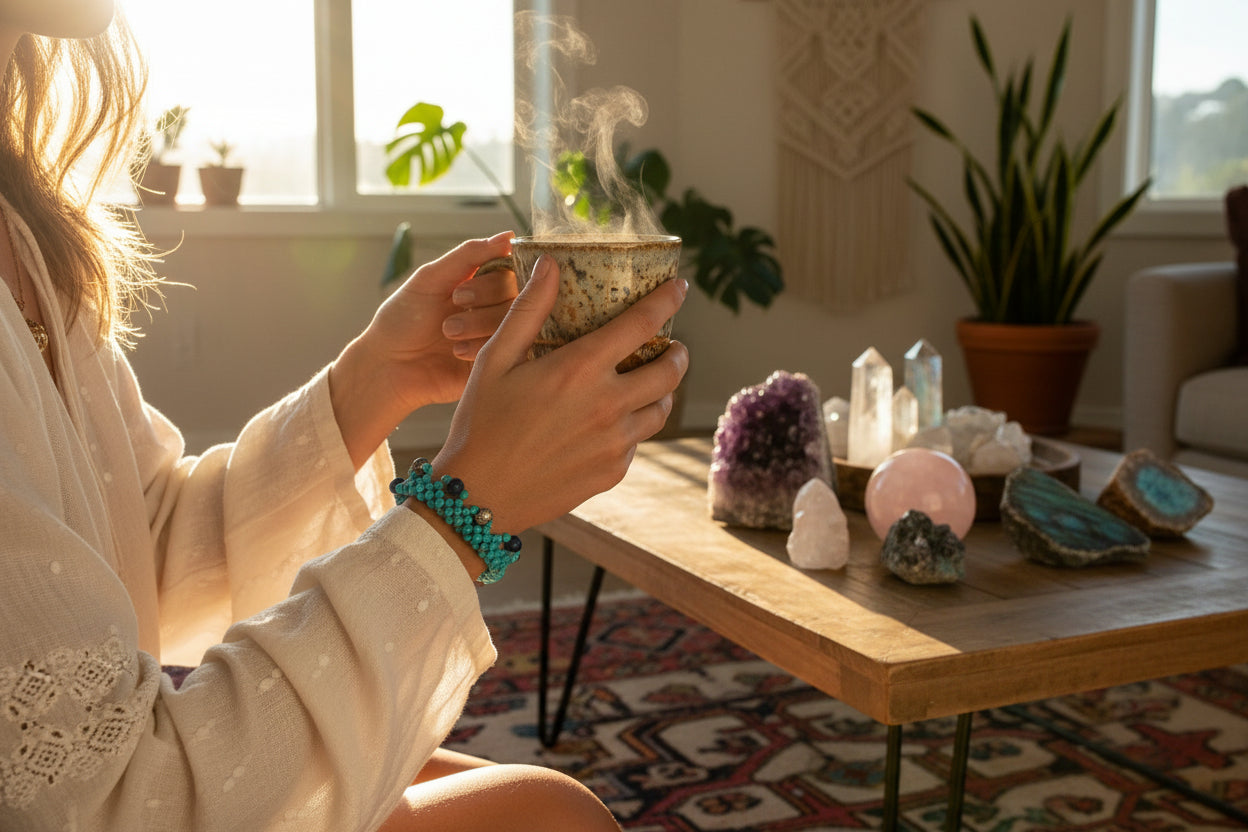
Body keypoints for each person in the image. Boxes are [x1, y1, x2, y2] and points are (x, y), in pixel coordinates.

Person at [0, 0, 689, 829]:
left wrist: (373, 383)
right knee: (550, 816)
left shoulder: (24, 230)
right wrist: (461, 515)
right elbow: (113, 804)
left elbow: (141, 543)